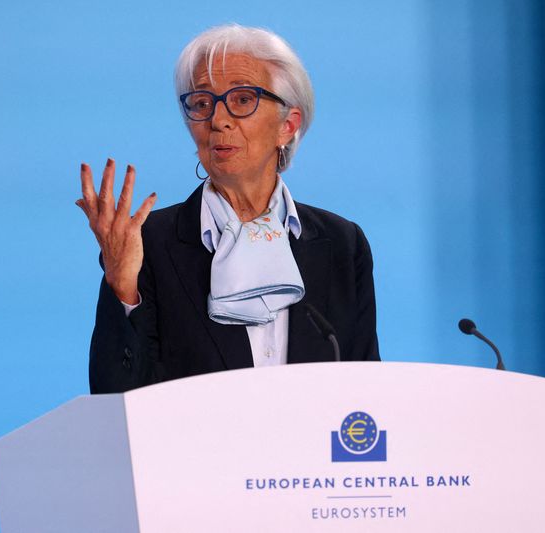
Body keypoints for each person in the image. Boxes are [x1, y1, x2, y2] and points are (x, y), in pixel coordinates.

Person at [77, 24, 379, 394]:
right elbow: (115, 398)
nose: (218, 120)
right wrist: (122, 288)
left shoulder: (342, 244)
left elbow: (366, 394)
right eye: (202, 104)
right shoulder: (148, 243)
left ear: (288, 125)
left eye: (241, 99)